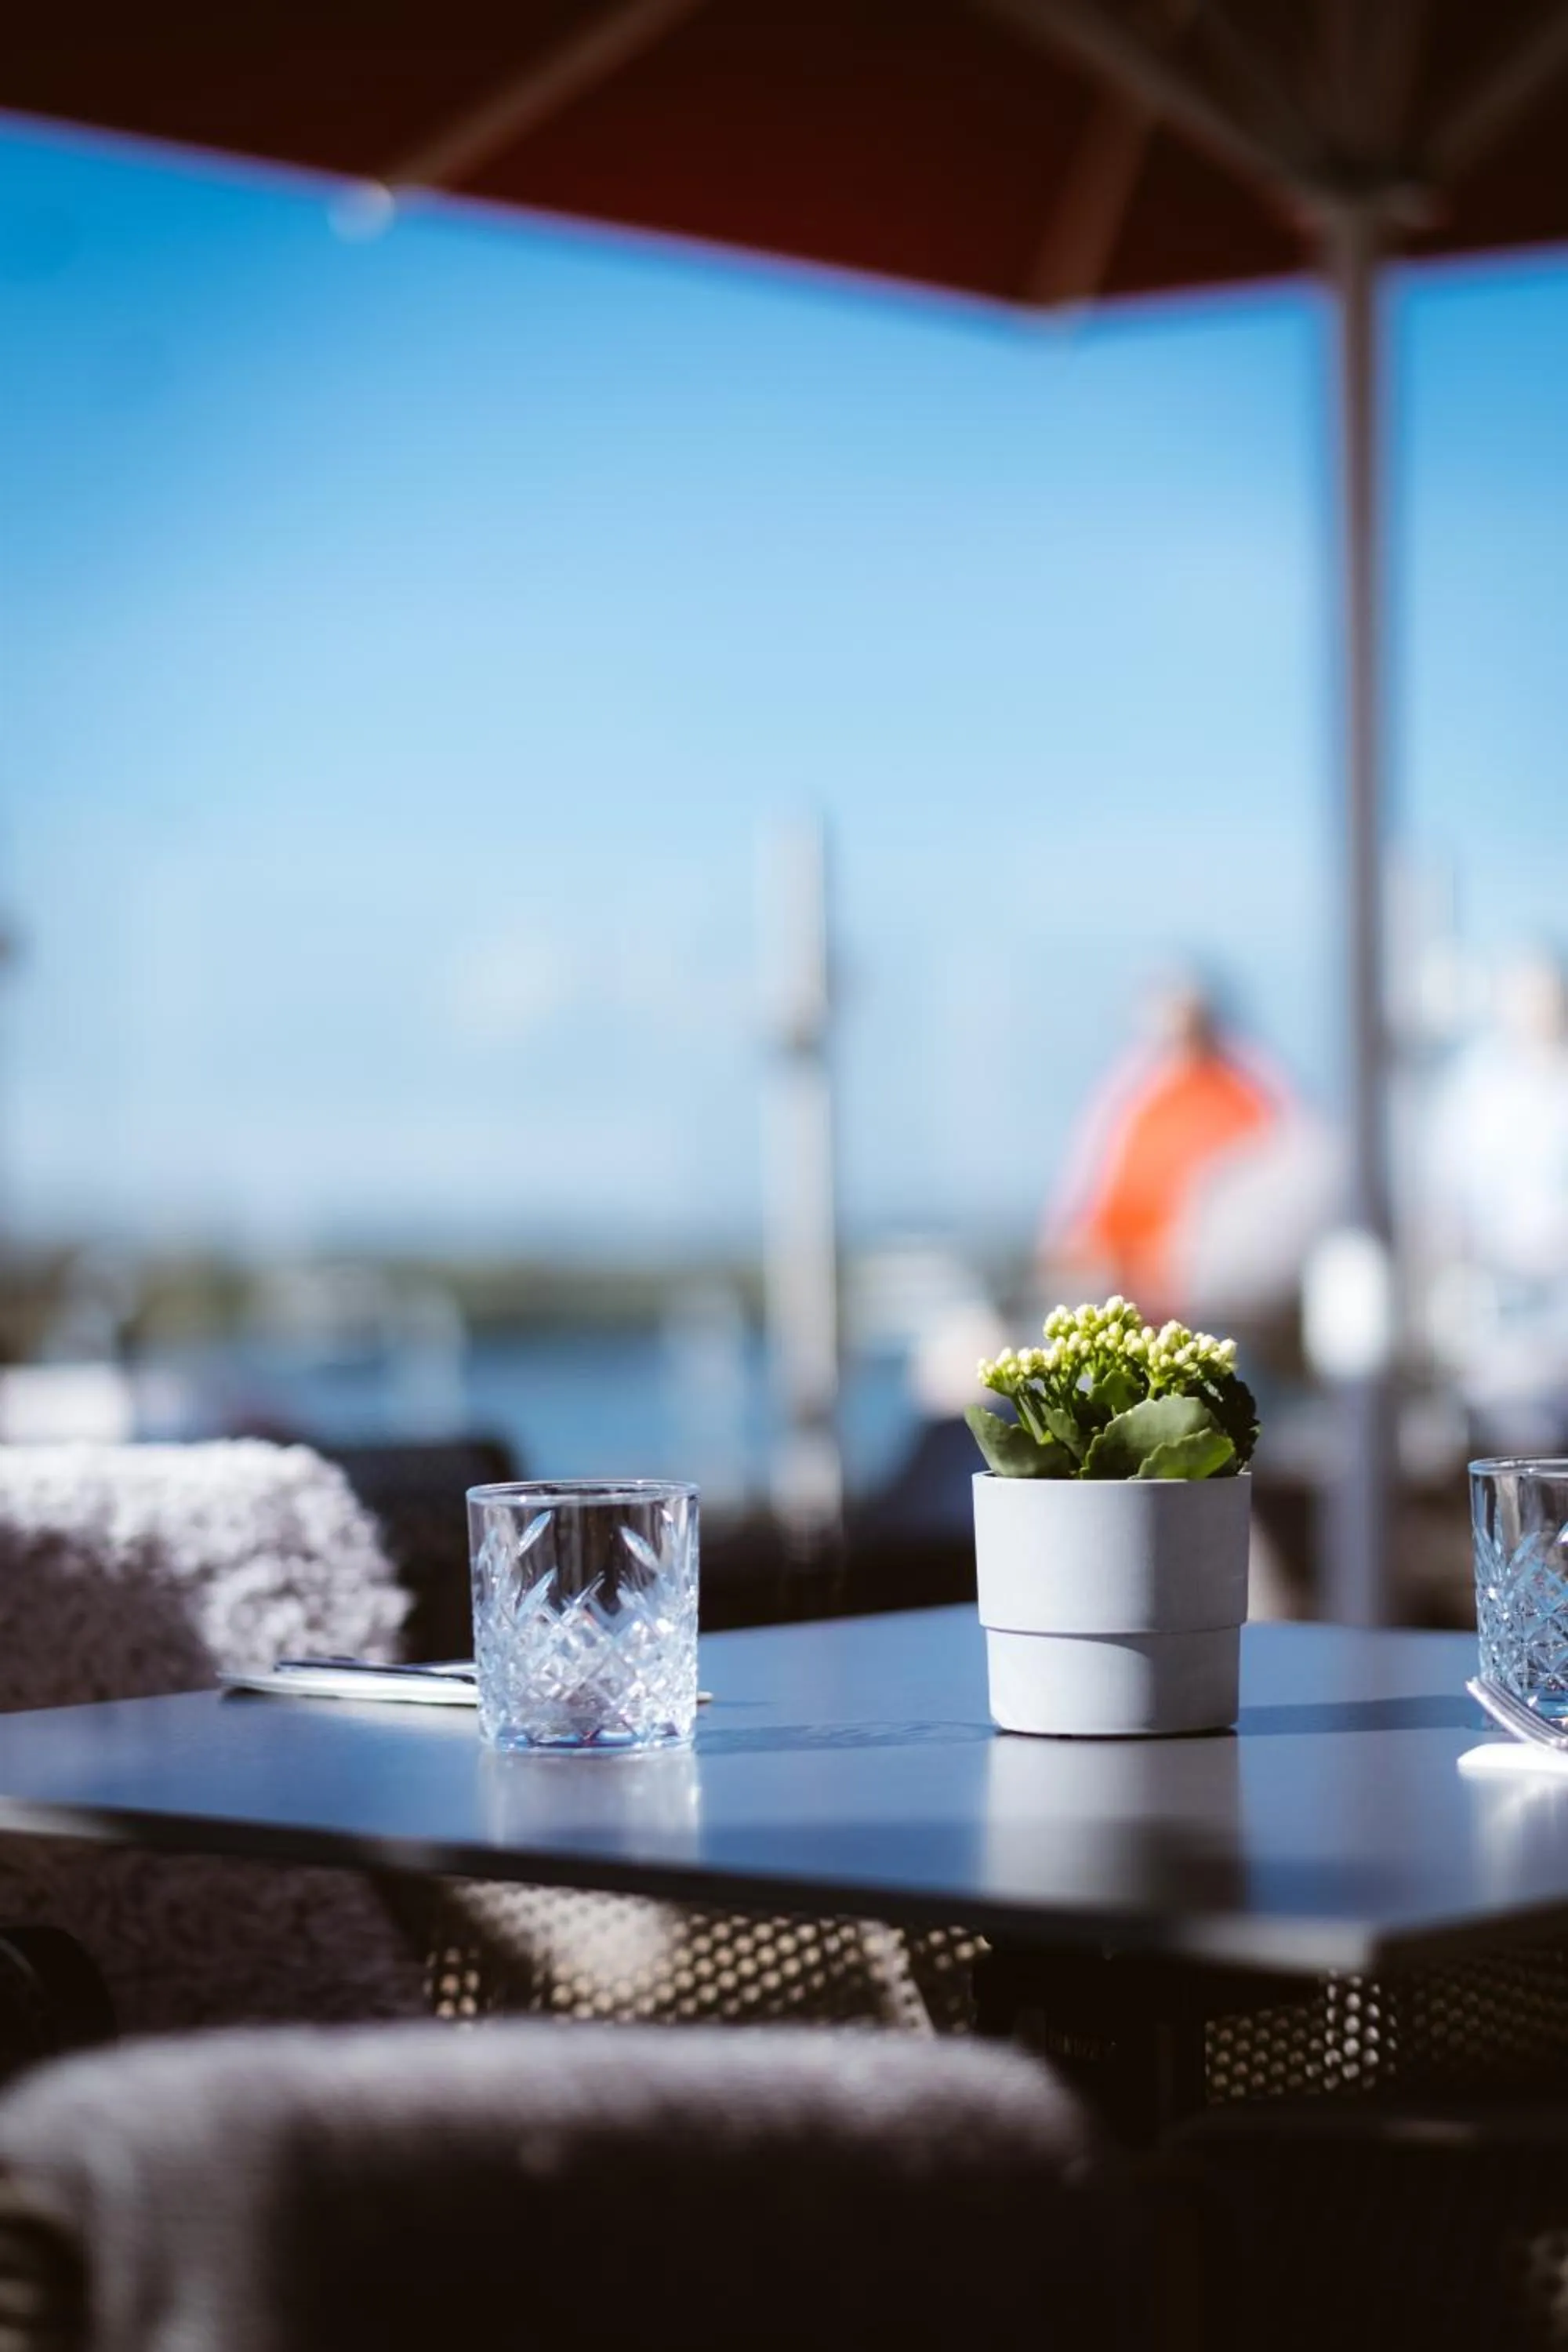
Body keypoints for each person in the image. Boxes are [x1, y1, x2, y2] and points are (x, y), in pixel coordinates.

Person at [1043, 972, 1291, 1327]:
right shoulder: (1134, 1101)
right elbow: (1084, 1215)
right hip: (1131, 1301)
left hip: (1218, 1310)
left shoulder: (1250, 1096)